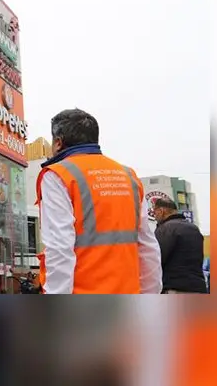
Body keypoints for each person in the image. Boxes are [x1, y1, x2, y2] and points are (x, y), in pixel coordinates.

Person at [36, 108, 162, 294]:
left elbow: (59, 247)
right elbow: (147, 246)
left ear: (58, 142)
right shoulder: (129, 176)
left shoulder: (57, 176)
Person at [152, 198, 208, 293]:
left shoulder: (164, 229)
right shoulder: (194, 228)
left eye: (155, 212)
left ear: (161, 211)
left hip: (175, 288)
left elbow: (156, 260)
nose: (154, 216)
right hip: (198, 287)